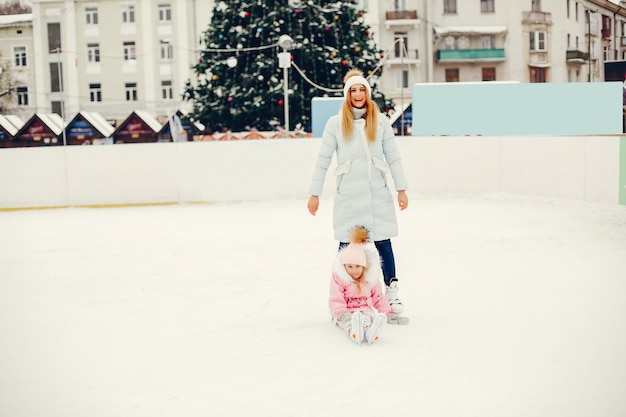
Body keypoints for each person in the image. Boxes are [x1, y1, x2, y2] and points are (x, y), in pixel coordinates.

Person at [308, 68, 409, 313]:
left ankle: (391, 293)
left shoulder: (381, 121)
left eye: (361, 89)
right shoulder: (336, 123)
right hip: (349, 198)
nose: (357, 94)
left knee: (384, 244)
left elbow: (393, 157)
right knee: (346, 248)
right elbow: (323, 159)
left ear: (367, 92)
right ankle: (342, 297)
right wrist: (315, 193)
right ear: (347, 94)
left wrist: (401, 189)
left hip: (377, 195)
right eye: (353, 90)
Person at [329, 226, 409, 345]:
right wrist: (342, 314)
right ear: (344, 266)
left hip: (365, 310)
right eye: (350, 267)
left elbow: (378, 297)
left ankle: (369, 331)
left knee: (367, 319)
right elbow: (335, 299)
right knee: (350, 322)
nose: (354, 270)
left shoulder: (369, 279)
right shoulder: (339, 278)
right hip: (345, 313)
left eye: (357, 266)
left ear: (364, 266)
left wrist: (388, 313)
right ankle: (353, 332)